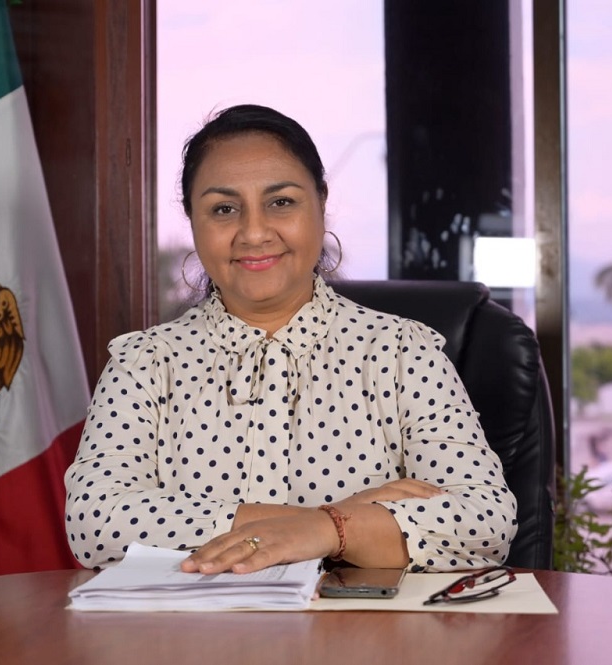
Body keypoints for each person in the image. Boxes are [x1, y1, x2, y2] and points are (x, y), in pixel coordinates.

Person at [65, 104, 517, 575]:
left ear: (321, 202)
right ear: (193, 220)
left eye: (281, 202)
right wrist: (339, 521)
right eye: (224, 209)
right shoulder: (143, 362)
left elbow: (486, 520)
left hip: (363, 624)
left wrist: (321, 530)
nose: (254, 232)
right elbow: (94, 521)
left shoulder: (404, 352)